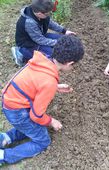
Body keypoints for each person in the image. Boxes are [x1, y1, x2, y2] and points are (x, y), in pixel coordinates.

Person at [0, 35, 84, 164]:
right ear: (70, 63)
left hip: (12, 100)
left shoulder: (43, 59)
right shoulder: (49, 81)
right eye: (74, 66)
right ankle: (4, 156)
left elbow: (35, 82)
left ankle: (5, 138)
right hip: (16, 110)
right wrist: (51, 121)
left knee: (31, 127)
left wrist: (55, 87)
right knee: (43, 141)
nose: (73, 68)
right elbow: (36, 116)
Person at [11, 0, 75, 66]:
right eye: (48, 13)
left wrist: (64, 31)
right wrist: (57, 43)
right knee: (53, 56)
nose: (49, 15)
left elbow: (50, 23)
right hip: (28, 44)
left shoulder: (40, 12)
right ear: (40, 14)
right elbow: (40, 40)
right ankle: (19, 53)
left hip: (38, 36)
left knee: (63, 39)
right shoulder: (29, 23)